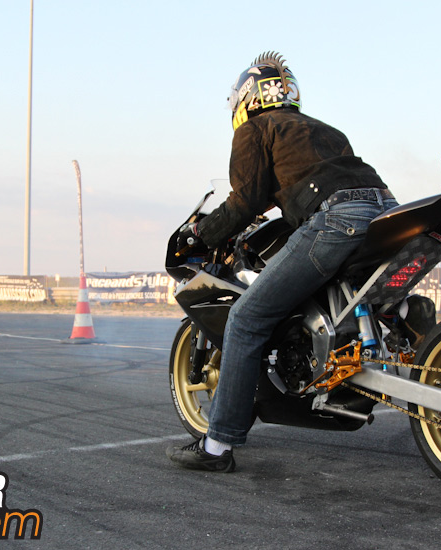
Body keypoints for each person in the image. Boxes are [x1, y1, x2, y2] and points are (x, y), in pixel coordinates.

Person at [167, 52, 398, 472]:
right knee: (374, 299)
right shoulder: (325, 130)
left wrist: (202, 233)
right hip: (385, 211)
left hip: (336, 218)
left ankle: (217, 447)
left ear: (246, 99)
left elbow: (245, 201)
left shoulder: (255, 129)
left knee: (245, 319)